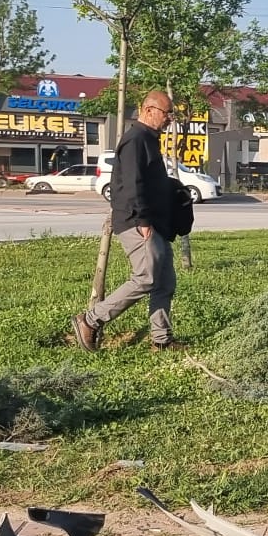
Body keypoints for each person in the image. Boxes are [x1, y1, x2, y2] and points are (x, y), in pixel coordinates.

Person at [73, 90, 181, 351]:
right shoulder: (136, 139)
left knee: (165, 282)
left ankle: (161, 340)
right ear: (148, 110)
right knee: (146, 278)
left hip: (154, 223)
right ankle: (90, 320)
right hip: (137, 221)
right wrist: (142, 220)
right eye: (167, 114)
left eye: (171, 115)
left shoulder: (149, 139)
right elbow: (132, 183)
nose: (169, 120)